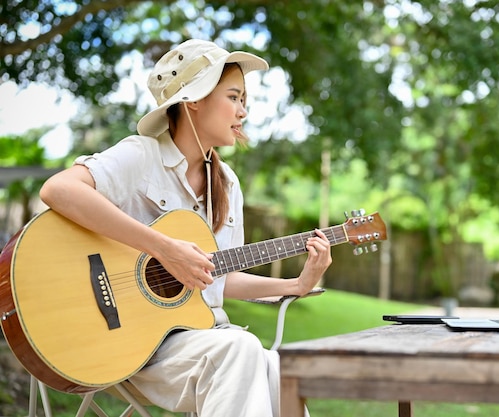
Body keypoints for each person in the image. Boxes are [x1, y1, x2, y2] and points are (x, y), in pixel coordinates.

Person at [39, 39, 331, 417]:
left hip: (203, 342)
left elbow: (218, 276)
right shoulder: (141, 156)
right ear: (194, 99)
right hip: (135, 344)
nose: (244, 111)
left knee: (279, 371)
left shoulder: (227, 184)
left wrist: (296, 285)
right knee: (241, 349)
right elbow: (58, 189)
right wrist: (164, 248)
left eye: (244, 100)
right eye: (234, 97)